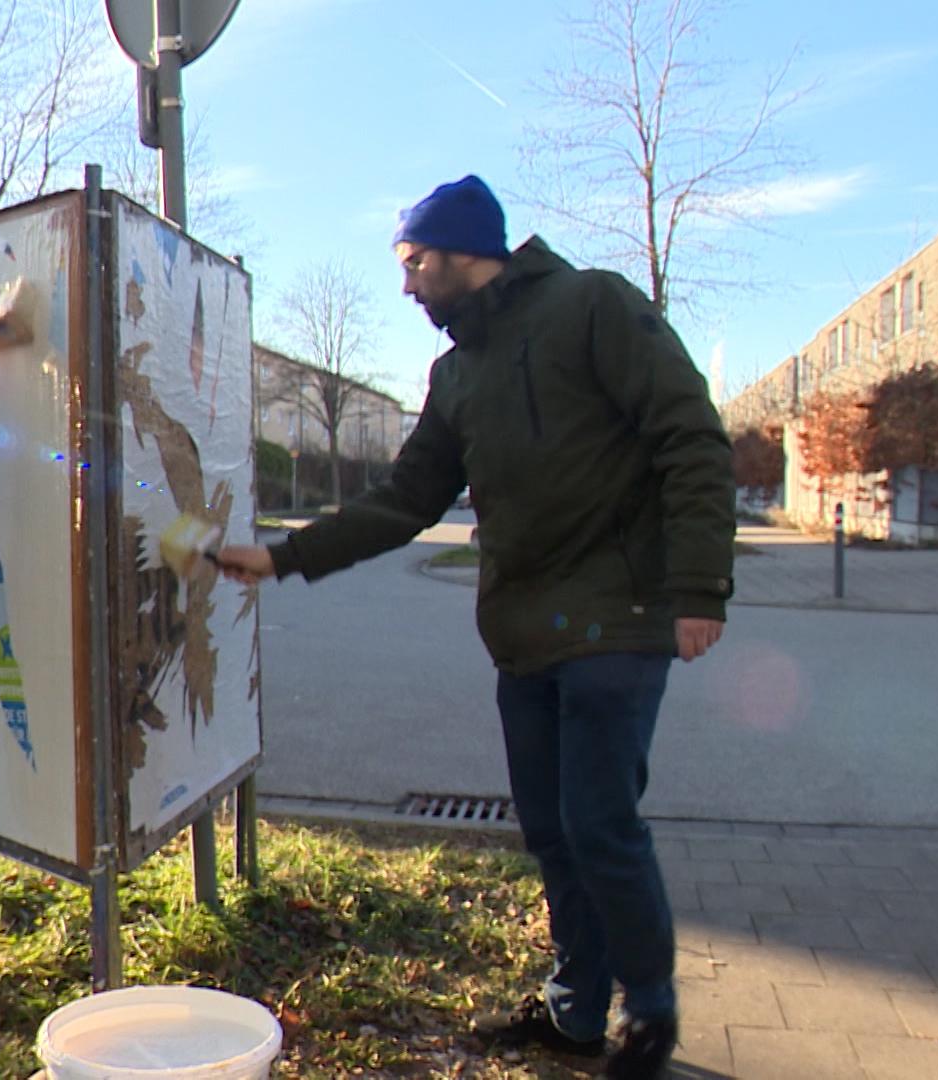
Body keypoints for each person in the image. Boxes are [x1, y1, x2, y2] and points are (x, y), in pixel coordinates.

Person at [216, 175, 735, 1077]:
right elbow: (409, 497)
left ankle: (648, 1017)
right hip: (525, 635)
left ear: (464, 250)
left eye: (415, 264)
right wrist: (284, 556)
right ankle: (577, 1012)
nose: (408, 286)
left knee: (601, 824)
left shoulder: (592, 306)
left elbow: (690, 434)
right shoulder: (455, 374)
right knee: (550, 829)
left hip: (620, 619)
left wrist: (699, 586)